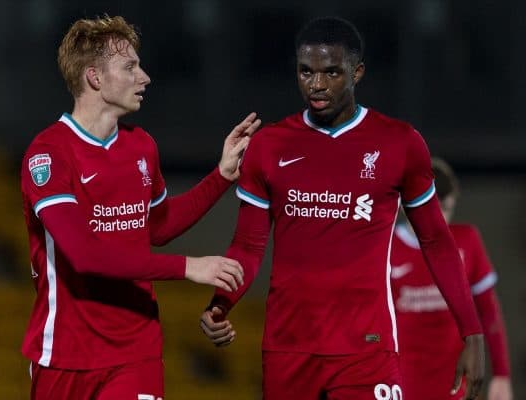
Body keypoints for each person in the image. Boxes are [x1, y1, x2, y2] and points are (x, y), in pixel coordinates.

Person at [199, 16, 485, 400]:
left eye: (332, 72)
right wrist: (221, 303)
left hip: (367, 348)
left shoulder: (399, 143)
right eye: (306, 72)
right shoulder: (269, 146)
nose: (316, 85)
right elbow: (248, 247)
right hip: (288, 348)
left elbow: (436, 240)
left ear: (358, 72)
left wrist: (472, 332)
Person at [21, 15, 261, 400]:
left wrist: (221, 176)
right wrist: (190, 266)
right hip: (67, 355)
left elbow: (159, 227)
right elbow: (84, 255)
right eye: (130, 66)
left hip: (138, 352)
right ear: (95, 77)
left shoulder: (141, 146)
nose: (144, 77)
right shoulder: (49, 154)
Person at [391, 157, 513, 400]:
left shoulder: (467, 240)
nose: (439, 219)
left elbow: (488, 311)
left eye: (445, 209)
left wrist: (501, 374)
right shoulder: (386, 246)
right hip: (401, 382)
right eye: (431, 210)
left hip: (455, 383)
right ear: (406, 205)